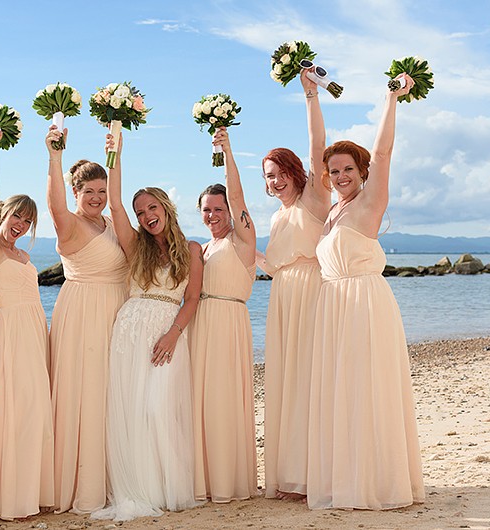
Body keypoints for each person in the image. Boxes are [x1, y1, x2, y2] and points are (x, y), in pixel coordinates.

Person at [306, 74, 425, 510]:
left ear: (361, 173)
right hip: (333, 305)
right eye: (333, 170)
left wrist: (390, 99)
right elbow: (314, 144)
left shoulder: (369, 203)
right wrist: (311, 95)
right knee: (343, 392)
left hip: (363, 303)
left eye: (347, 170)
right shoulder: (332, 210)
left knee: (366, 388)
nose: (339, 176)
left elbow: (384, 151)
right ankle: (348, 479)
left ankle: (376, 482)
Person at [93, 131, 203, 521]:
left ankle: (167, 488)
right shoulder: (136, 245)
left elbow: (192, 299)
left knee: (160, 410)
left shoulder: (191, 249)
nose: (145, 215)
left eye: (151, 207)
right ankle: (139, 490)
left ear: (165, 207)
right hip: (129, 332)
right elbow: (116, 205)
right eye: (140, 212)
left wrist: (173, 334)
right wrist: (115, 150)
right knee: (132, 410)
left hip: (167, 333)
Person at [45, 126, 129, 513]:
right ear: (76, 193)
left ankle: (115, 477)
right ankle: (83, 483)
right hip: (82, 313)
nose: (96, 198)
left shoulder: (110, 224)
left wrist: (116, 152)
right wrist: (55, 156)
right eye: (88, 192)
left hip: (116, 311)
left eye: (100, 191)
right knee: (85, 392)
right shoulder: (70, 224)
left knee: (111, 393)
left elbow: (117, 199)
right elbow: (55, 207)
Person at [0, 126, 54, 520]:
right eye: (16, 215)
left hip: (36, 330)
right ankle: (11, 497)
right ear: (4, 214)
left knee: (38, 408)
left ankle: (34, 491)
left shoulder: (23, 256)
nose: (20, 223)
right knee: (16, 409)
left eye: (28, 219)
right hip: (10, 332)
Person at [260, 67, 332, 501]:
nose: (275, 180)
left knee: (309, 379)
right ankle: (291, 475)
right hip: (282, 296)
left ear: (296, 171)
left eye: (280, 171)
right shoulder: (274, 216)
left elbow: (319, 147)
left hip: (311, 293)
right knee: (286, 382)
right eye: (269, 175)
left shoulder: (313, 200)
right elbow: (274, 265)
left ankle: (313, 475)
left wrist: (310, 97)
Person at [189, 127, 258, 503]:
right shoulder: (206, 246)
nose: (213, 215)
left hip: (230, 324)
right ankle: (206, 479)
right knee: (201, 401)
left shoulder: (242, 239)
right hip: (202, 325)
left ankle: (229, 481)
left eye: (219, 209)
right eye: (207, 210)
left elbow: (239, 194)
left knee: (224, 400)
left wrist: (226, 150)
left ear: (231, 212)